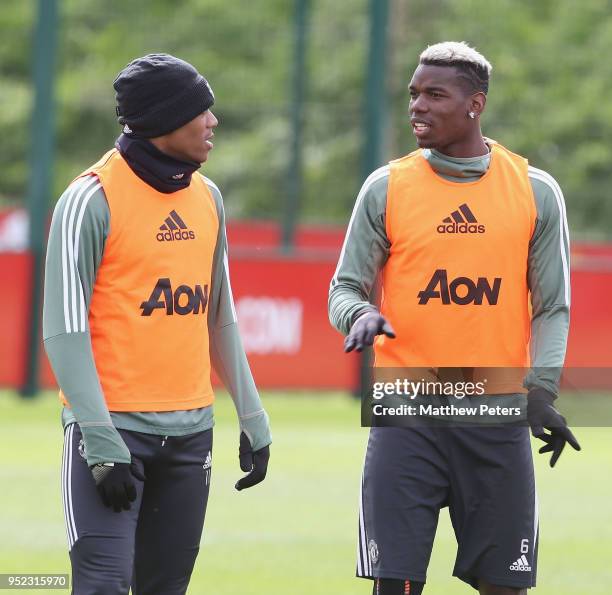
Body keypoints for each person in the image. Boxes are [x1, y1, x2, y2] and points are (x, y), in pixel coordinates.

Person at [329, 41, 580, 595]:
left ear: (475, 104)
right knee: (393, 583)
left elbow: (553, 306)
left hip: (496, 412)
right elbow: (343, 288)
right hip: (406, 409)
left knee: (504, 585)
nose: (417, 105)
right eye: (414, 93)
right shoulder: (386, 187)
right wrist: (360, 313)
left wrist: (541, 390)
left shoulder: (535, 191)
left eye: (435, 95)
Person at [43, 53, 271, 595]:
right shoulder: (90, 199)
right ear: (165, 120)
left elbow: (219, 315)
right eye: (201, 112)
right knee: (102, 585)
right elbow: (63, 330)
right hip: (112, 434)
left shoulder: (208, 198)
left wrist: (253, 416)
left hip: (191, 438)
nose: (213, 123)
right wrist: (99, 441)